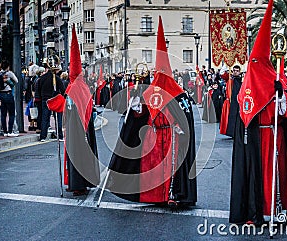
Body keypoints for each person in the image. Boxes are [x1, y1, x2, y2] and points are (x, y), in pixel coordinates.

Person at [230, 0, 287, 225]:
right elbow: (243, 108)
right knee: (255, 176)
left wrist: (281, 96)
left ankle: (278, 208)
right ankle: (256, 211)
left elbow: (286, 113)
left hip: (274, 136)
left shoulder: (278, 80)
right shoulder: (248, 85)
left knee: (276, 173)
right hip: (255, 140)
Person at [106, 16, 196, 207]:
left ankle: (173, 194)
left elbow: (184, 117)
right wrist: (137, 109)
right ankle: (153, 196)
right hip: (153, 138)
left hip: (171, 136)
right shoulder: (148, 91)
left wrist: (180, 128)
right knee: (152, 169)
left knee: (170, 168)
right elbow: (141, 116)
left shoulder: (178, 94)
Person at [46, 26, 100, 195]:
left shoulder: (74, 88)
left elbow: (68, 107)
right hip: (82, 128)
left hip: (76, 130)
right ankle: (83, 181)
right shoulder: (81, 86)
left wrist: (56, 102)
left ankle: (78, 184)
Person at [38, 56, 65, 141]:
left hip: (45, 100)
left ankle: (43, 136)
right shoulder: (57, 78)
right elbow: (63, 90)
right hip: (55, 100)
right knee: (58, 118)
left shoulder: (42, 78)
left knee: (45, 118)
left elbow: (38, 89)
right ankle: (60, 135)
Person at [0, 60, 19, 137]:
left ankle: (4, 132)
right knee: (11, 114)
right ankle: (10, 131)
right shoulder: (9, 73)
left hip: (0, 94)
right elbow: (16, 80)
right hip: (8, 94)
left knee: (3, 114)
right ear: (8, 66)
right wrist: (9, 81)